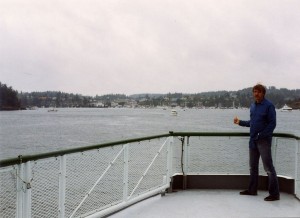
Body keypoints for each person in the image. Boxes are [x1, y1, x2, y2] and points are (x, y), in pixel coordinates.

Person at [233, 84, 280, 201]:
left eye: (258, 92)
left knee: (268, 168)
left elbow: (272, 124)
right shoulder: (253, 106)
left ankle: (274, 194)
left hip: (263, 141)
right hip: (252, 141)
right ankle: (252, 190)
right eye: (254, 91)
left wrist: (261, 135)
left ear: (263, 93)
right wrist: (240, 122)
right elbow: (252, 123)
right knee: (252, 167)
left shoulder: (269, 106)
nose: (256, 94)